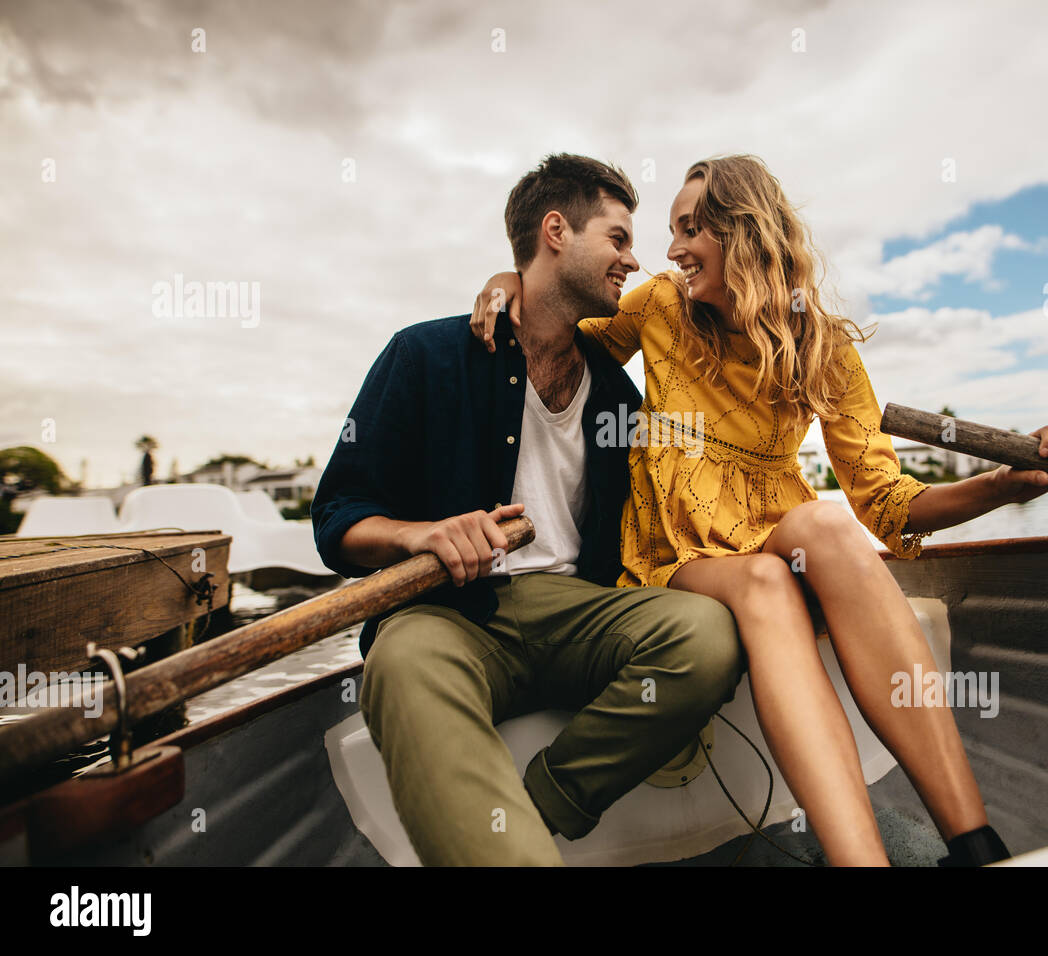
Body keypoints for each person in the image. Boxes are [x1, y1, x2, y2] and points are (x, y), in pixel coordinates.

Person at [469, 154, 1048, 867]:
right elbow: (558, 328)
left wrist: (1003, 486)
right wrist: (507, 281)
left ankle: (976, 843)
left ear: (745, 230)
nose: (670, 251)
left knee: (828, 523)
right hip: (673, 553)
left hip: (777, 535)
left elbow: (888, 504)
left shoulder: (822, 348)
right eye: (671, 232)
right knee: (766, 583)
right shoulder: (661, 308)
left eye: (690, 229)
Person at [312, 154, 746, 866]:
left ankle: (543, 804)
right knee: (400, 662)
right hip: (448, 614)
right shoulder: (424, 355)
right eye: (618, 239)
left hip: (580, 612)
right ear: (556, 232)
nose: (634, 261)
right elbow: (337, 517)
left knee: (704, 635)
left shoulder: (616, 397)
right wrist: (422, 535)